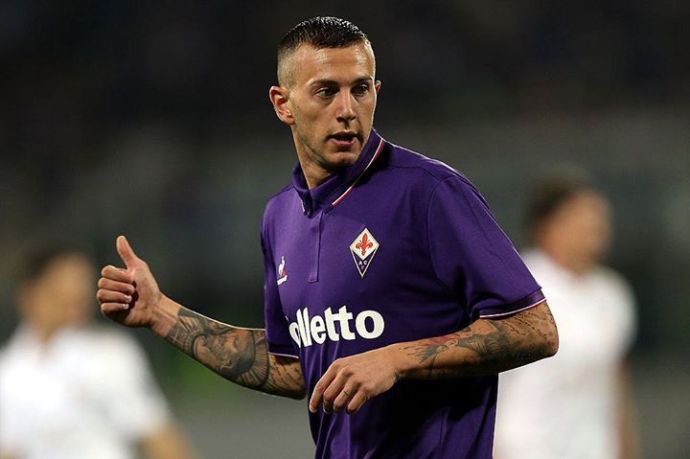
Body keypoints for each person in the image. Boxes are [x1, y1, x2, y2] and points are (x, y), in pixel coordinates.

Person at [96, 17, 559, 459]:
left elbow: (535, 329)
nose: (347, 110)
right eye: (326, 91)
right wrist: (160, 312)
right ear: (283, 104)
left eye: (360, 89)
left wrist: (395, 360)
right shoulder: (279, 217)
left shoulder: (429, 193)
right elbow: (293, 366)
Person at [0, 245, 195, 459]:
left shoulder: (109, 354)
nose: (76, 298)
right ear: (31, 294)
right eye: (62, 290)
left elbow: (155, 434)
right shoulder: (9, 371)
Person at [494, 172, 638, 459]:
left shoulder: (612, 295)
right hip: (525, 449)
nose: (593, 227)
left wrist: (627, 449)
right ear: (546, 227)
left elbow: (615, 384)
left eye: (598, 219)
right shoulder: (515, 286)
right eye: (579, 217)